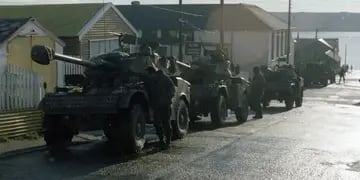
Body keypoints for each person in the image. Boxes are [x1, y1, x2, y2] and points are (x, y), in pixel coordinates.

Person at [145, 66, 175, 149]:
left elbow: (172, 89)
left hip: (165, 104)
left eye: (148, 74)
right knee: (157, 124)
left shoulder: (165, 78)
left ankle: (168, 142)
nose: (148, 76)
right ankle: (161, 140)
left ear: (152, 73)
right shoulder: (151, 81)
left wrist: (167, 98)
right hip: (157, 105)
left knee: (166, 123)